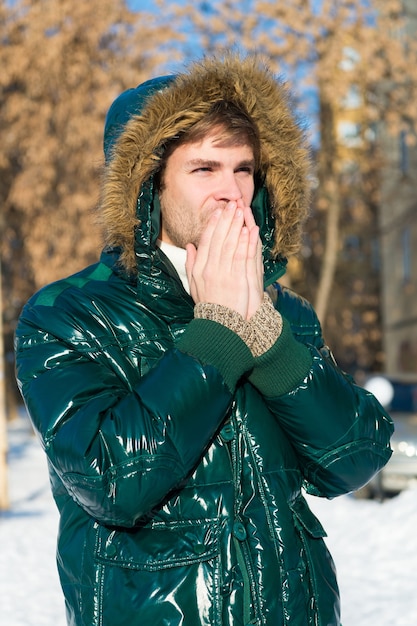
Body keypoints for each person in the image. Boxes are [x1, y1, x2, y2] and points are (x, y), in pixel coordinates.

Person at [15, 54, 394, 626]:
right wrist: (218, 330)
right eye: (205, 170)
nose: (233, 193)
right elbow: (113, 482)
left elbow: (354, 461)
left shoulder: (284, 312)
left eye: (244, 170)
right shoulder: (67, 314)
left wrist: (268, 338)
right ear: (148, 188)